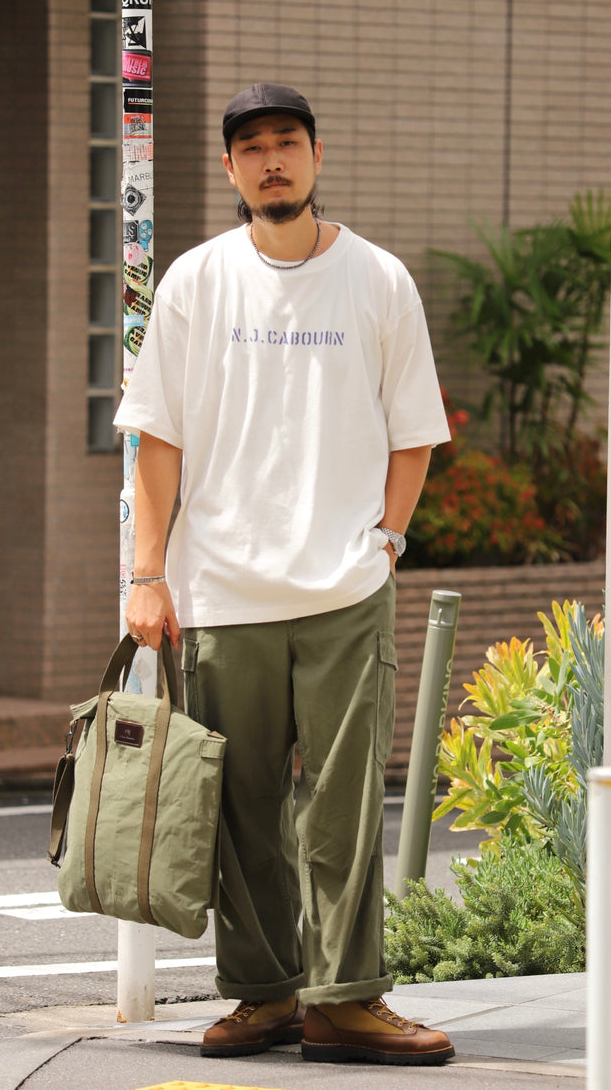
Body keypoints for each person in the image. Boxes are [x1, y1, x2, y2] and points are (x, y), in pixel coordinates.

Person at [114, 83, 454, 1066]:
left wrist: (385, 543)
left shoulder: (378, 280)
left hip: (344, 590)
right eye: (252, 148)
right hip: (220, 585)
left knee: (344, 807)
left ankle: (345, 1001)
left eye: (287, 144)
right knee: (238, 805)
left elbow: (413, 434)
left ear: (315, 157)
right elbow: (157, 437)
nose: (272, 161)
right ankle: (263, 996)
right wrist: (147, 575)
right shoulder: (194, 282)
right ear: (229, 169)